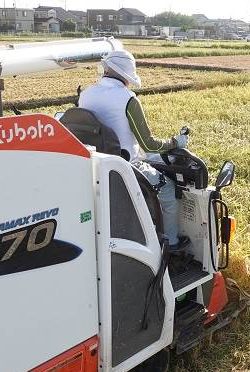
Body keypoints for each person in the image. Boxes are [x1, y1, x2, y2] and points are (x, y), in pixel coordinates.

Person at [78, 50, 189, 251]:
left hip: (95, 165)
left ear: (106, 69)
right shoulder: (128, 99)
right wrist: (176, 142)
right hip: (126, 167)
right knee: (168, 192)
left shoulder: (86, 94)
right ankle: (172, 242)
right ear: (127, 75)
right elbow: (148, 145)